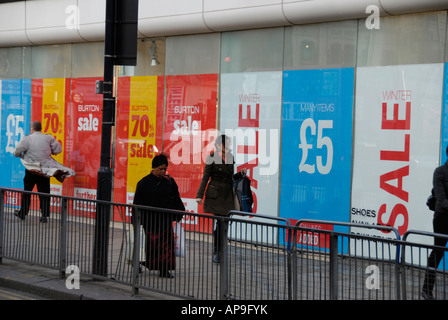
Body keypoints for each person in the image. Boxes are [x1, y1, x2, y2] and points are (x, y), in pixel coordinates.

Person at [133, 153, 185, 278]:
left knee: (166, 248)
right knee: (151, 247)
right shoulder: (144, 183)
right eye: (160, 169)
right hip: (149, 221)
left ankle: (164, 270)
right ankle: (140, 262)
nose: (163, 171)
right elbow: (137, 203)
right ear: (153, 168)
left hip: (164, 220)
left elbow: (176, 197)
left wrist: (180, 212)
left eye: (164, 169)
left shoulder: (170, 182)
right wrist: (135, 220)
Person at [196, 134, 246, 263]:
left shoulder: (230, 157)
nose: (228, 146)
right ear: (219, 145)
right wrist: (199, 195)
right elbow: (205, 177)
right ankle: (217, 251)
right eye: (226, 144)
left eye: (229, 144)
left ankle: (220, 250)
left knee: (224, 224)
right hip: (216, 195)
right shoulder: (211, 158)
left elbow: (231, 177)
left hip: (227, 195)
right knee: (220, 222)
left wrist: (240, 174)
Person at [13, 121, 73, 223]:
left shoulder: (28, 138)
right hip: (45, 171)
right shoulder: (48, 138)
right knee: (44, 193)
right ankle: (44, 216)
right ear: (41, 128)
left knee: (27, 192)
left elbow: (17, 151)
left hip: (31, 170)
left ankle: (23, 213)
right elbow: (58, 149)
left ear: (32, 128)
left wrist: (19, 154)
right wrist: (51, 151)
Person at [422, 147, 448, 300]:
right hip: (443, 218)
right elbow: (442, 200)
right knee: (437, 252)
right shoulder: (440, 172)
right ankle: (426, 289)